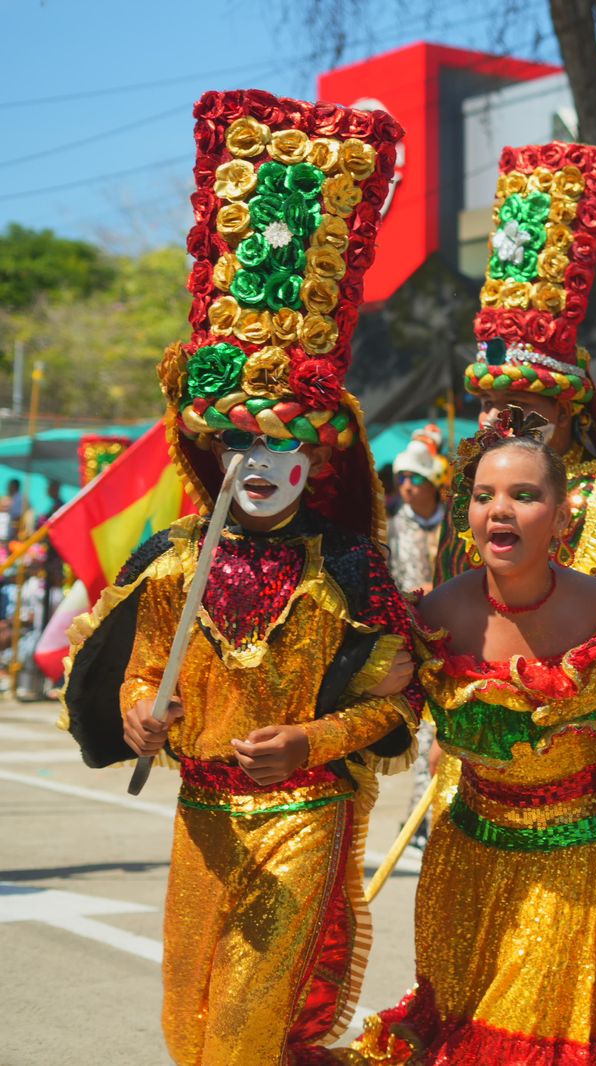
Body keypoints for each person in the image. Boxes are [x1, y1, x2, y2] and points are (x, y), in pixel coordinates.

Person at [59, 90, 417, 1065]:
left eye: (281, 445)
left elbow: (394, 707)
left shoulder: (347, 567)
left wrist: (312, 734)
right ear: (212, 453)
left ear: (317, 456)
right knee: (189, 1014)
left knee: (246, 1022)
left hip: (299, 814)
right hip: (200, 816)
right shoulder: (175, 556)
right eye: (240, 443)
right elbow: (140, 669)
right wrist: (140, 712)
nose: (260, 464)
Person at [351, 410, 596, 1062]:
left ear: (561, 514)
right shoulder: (435, 616)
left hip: (579, 857)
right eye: (485, 496)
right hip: (465, 856)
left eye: (525, 496)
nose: (502, 510)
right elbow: (380, 716)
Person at [433, 139, 596, 591]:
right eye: (487, 402)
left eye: (513, 400)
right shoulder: (468, 503)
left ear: (562, 412)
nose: (493, 417)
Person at [387, 424, 448, 595]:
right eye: (401, 479)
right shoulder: (389, 528)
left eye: (415, 479)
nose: (406, 486)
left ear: (432, 484)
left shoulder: (453, 525)